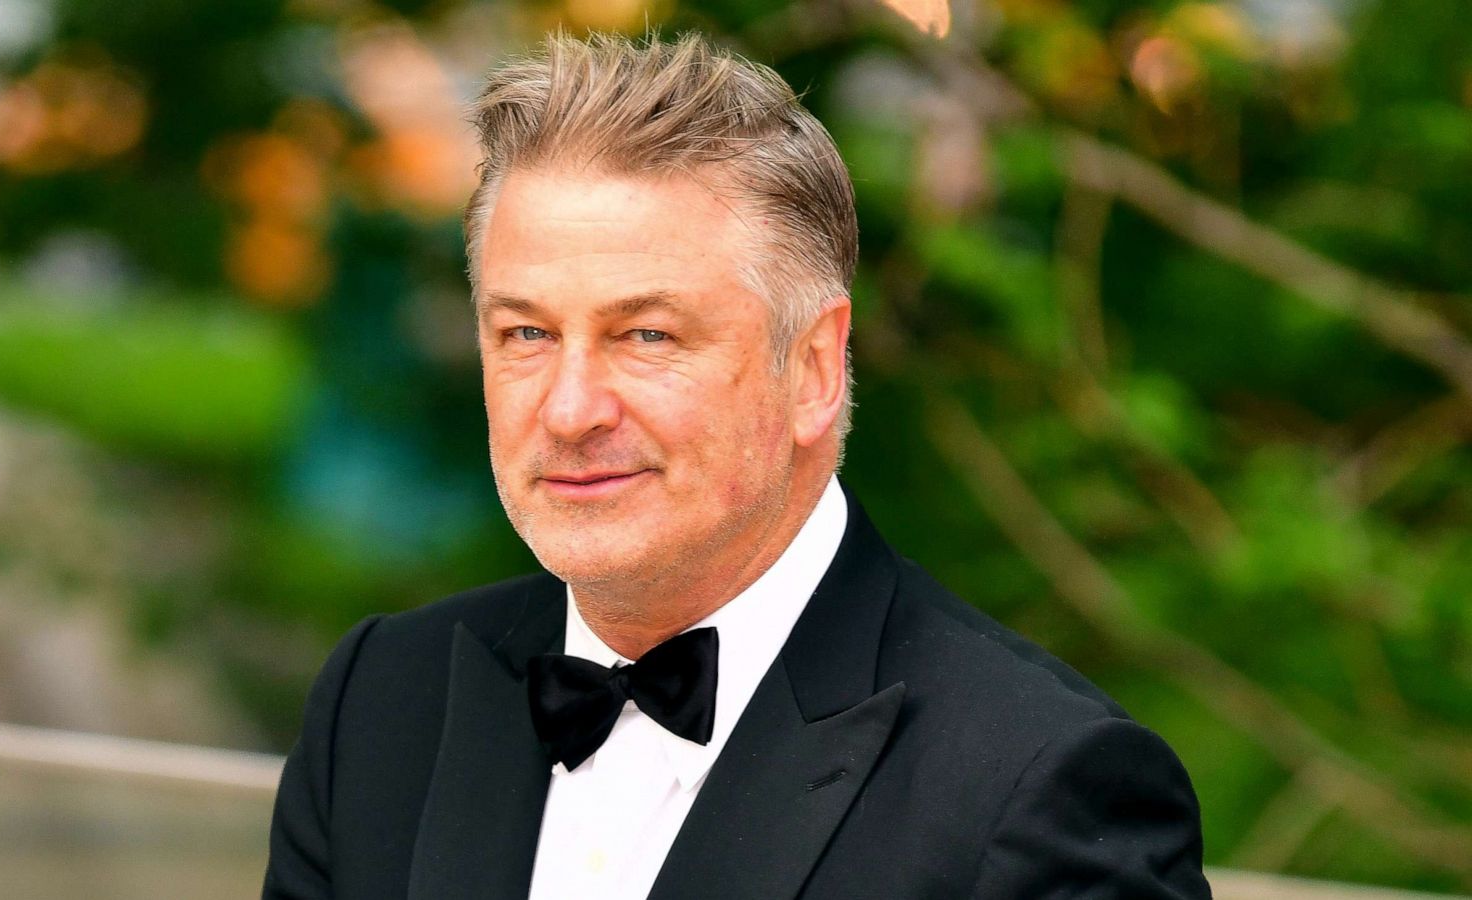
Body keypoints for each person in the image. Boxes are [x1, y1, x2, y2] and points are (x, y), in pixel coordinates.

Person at [263, 31, 1211, 900]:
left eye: (646, 333)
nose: (568, 408)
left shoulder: (1041, 787)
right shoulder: (381, 701)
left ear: (811, 370)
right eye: (526, 332)